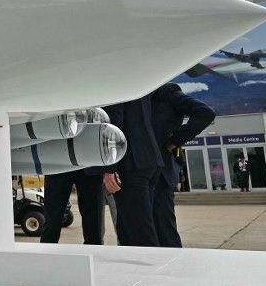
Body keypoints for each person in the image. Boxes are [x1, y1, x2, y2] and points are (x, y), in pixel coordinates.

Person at [150, 83, 215, 247]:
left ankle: (173, 266)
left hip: (161, 173)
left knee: (163, 227)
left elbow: (205, 113)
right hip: (137, 171)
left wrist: (174, 141)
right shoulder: (137, 97)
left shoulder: (166, 92)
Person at [103, 94, 163, 246]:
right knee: (127, 227)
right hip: (148, 159)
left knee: (139, 231)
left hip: (131, 164)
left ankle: (151, 267)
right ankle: (133, 267)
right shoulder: (141, 86)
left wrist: (110, 168)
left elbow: (114, 126)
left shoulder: (118, 85)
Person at [39, 168, 105, 245]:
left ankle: (94, 252)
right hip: (58, 165)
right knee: (51, 221)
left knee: (94, 223)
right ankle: (47, 253)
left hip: (89, 166)